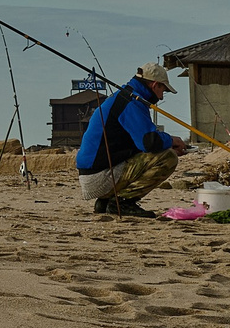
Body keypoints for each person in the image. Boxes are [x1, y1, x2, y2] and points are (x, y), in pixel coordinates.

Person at [76, 62, 187, 217]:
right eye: (163, 90)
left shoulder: (124, 97)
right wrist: (172, 140)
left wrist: (167, 143)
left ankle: (106, 201)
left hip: (92, 174)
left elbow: (136, 144)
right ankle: (122, 203)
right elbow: (149, 142)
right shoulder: (132, 102)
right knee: (168, 158)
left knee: (163, 151)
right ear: (155, 85)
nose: (161, 97)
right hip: (100, 178)